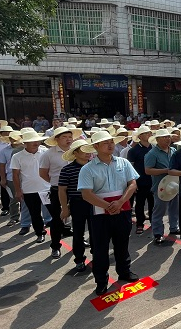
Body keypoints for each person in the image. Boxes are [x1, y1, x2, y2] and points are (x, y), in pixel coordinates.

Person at [78, 130, 139, 295]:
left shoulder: (123, 163)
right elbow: (86, 194)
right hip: (100, 215)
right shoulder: (87, 169)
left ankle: (124, 272)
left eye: (111, 141)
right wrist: (107, 205)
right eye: (105, 142)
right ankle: (101, 280)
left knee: (122, 243)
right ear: (96, 146)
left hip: (123, 210)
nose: (111, 145)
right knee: (100, 248)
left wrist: (119, 203)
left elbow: (132, 184)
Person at [39, 126, 80, 259]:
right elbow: (43, 173)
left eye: (70, 137)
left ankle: (79, 242)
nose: (68, 140)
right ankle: (55, 246)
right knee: (57, 219)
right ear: (56, 139)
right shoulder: (48, 154)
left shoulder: (76, 151)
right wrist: (56, 183)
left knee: (79, 218)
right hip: (57, 190)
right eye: (64, 137)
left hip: (76, 189)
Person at [58, 140, 92, 273]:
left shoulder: (95, 166)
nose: (87, 154)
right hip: (77, 203)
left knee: (97, 231)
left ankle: (98, 255)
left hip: (95, 202)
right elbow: (62, 190)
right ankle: (79, 259)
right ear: (75, 153)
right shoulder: (67, 169)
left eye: (88, 150)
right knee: (78, 233)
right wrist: (65, 208)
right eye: (84, 151)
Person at [11, 130, 50, 244]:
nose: (35, 143)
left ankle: (59, 232)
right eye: (32, 141)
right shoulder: (17, 156)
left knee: (53, 212)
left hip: (46, 188)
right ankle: (40, 233)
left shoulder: (45, 152)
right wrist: (18, 191)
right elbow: (15, 175)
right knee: (35, 213)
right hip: (29, 190)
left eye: (37, 140)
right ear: (25, 143)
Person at [145, 129, 180, 245]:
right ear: (157, 140)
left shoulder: (173, 150)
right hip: (160, 187)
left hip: (174, 184)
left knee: (174, 207)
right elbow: (148, 170)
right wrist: (165, 170)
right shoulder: (152, 154)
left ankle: (174, 227)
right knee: (159, 211)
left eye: (168, 137)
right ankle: (158, 233)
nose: (167, 139)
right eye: (164, 137)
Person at [127, 126, 154, 235]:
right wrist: (133, 183)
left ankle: (154, 222)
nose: (147, 135)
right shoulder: (133, 151)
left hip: (153, 181)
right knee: (140, 204)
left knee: (153, 203)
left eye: (148, 133)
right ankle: (140, 224)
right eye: (145, 133)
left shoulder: (154, 148)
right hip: (140, 182)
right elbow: (130, 168)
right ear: (140, 136)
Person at [0, 131, 24, 227]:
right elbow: (2, 166)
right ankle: (14, 217)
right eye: (12, 138)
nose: (14, 140)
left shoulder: (26, 149)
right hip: (11, 177)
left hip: (26, 178)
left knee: (26, 200)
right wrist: (3, 179)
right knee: (14, 199)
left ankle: (25, 218)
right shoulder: (4, 151)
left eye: (16, 138)